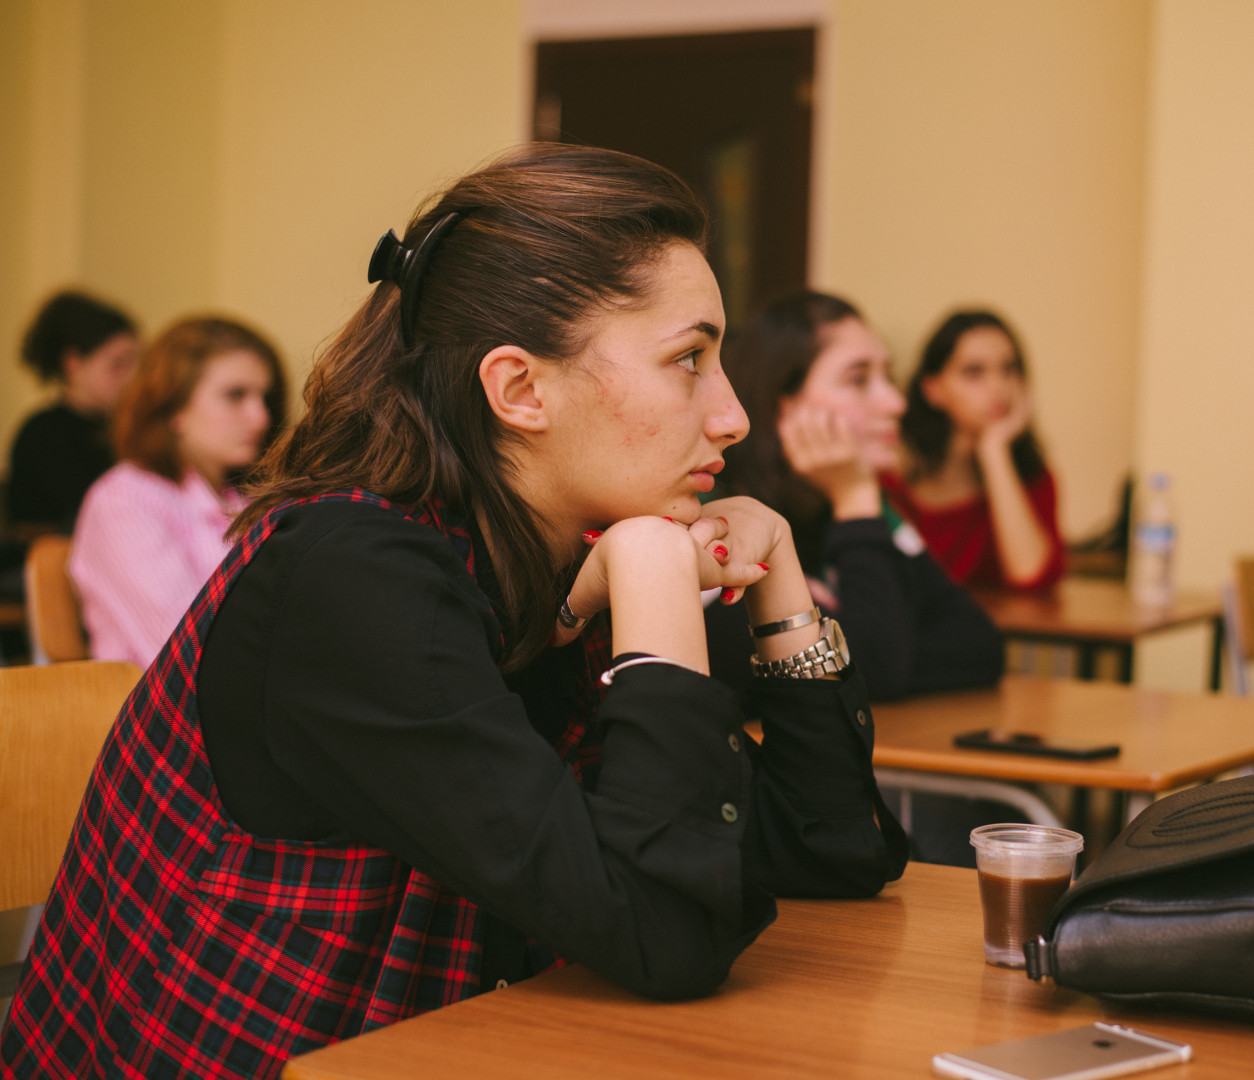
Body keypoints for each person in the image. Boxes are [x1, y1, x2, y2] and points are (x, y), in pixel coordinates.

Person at [1, 145, 905, 1080]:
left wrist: (783, 582)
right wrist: (649, 574)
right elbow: (668, 935)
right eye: (689, 361)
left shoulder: (538, 559)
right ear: (519, 389)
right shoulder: (351, 578)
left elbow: (831, 850)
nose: (732, 417)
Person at [714, 290, 1004, 702]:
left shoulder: (859, 509)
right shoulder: (731, 529)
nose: (895, 402)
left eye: (888, 375)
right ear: (783, 404)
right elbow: (879, 669)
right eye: (859, 379)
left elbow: (979, 644)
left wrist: (870, 656)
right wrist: (855, 497)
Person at [67, 316, 286, 668]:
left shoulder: (245, 501)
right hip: (165, 715)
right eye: (236, 395)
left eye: (264, 396)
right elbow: (188, 653)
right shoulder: (125, 500)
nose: (260, 417)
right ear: (174, 407)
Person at [884, 310, 1063, 591]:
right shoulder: (892, 477)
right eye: (974, 372)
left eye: (1009, 369)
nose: (998, 387)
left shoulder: (1033, 478)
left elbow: (1030, 574)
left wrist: (994, 450)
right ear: (933, 389)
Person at [5, 290, 138, 534]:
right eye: (117, 364)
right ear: (74, 364)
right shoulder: (43, 434)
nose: (131, 378)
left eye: (135, 363)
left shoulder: (126, 427)